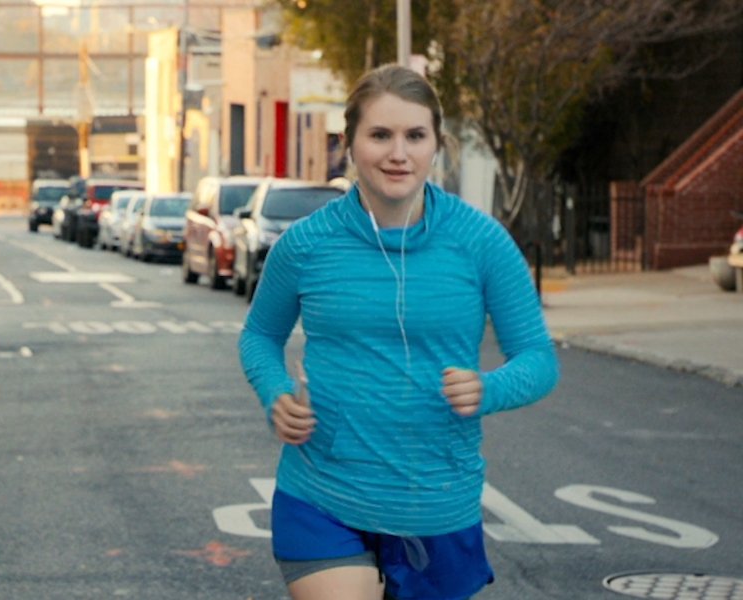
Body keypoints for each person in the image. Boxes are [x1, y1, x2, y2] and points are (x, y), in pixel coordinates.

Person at [237, 64, 559, 600]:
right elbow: (259, 336)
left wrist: (489, 388)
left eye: (415, 136)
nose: (398, 153)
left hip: (436, 501)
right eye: (380, 135)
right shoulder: (305, 245)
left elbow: (538, 358)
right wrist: (275, 393)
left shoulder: (481, 242)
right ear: (350, 143)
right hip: (321, 491)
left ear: (437, 144)